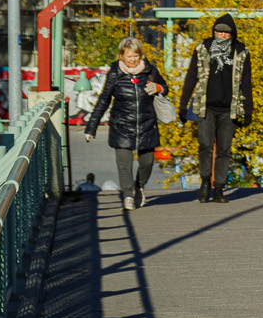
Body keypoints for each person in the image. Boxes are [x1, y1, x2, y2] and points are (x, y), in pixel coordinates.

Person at [83, 36, 169, 211]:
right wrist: (91, 127)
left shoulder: (150, 71)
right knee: (124, 164)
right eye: (129, 56)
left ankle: (139, 186)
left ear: (141, 55)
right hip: (121, 125)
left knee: (147, 162)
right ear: (122, 56)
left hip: (147, 124)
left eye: (135, 56)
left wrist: (158, 87)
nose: (132, 59)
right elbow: (104, 99)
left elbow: (165, 87)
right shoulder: (115, 73)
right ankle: (128, 195)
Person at [178, 13, 254, 203]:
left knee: (224, 150)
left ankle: (219, 188)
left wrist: (248, 110)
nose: (222, 35)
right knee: (204, 145)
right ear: (213, 32)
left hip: (230, 109)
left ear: (232, 34)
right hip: (206, 107)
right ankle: (205, 183)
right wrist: (183, 104)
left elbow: (246, 82)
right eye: (219, 31)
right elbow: (191, 76)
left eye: (226, 33)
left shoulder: (241, 51)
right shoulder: (202, 48)